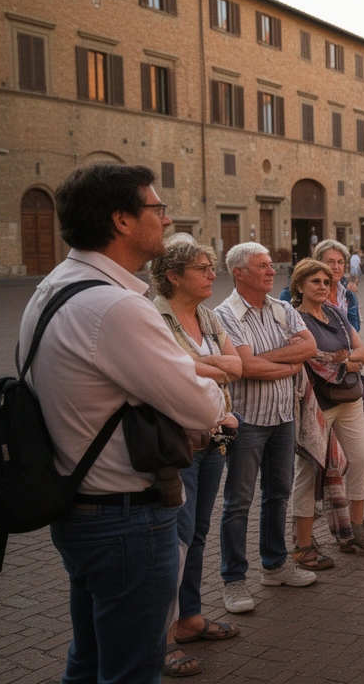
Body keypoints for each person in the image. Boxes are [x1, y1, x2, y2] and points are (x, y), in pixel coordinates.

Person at [22, 164, 227, 682]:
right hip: (126, 520)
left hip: (80, 509)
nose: (167, 217)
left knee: (89, 663)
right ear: (122, 221)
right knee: (131, 671)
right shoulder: (115, 307)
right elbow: (205, 408)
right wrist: (212, 385)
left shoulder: (53, 288)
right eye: (156, 209)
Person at [151, 235, 244, 677]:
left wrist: (200, 365)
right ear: (173, 276)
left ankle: (189, 616)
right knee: (177, 539)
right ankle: (163, 636)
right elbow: (173, 369)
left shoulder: (206, 316)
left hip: (216, 436)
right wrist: (211, 366)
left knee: (198, 531)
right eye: (203, 268)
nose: (212, 274)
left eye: (212, 267)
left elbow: (238, 365)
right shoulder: (154, 315)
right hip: (179, 441)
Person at [215, 243, 320, 615]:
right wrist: (285, 364)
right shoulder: (225, 314)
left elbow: (309, 347)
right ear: (239, 273)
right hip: (246, 420)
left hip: (283, 415)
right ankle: (233, 579)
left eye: (270, 264)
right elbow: (243, 368)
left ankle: (275, 565)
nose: (271, 270)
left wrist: (264, 360)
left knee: (278, 494)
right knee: (238, 502)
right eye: (262, 266)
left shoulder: (282, 308)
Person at [288, 259, 364, 567]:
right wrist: (344, 360)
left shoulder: (337, 314)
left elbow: (362, 351)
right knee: (310, 470)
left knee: (360, 458)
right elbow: (314, 359)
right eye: (315, 281)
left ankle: (354, 529)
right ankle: (303, 543)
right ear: (299, 286)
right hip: (316, 406)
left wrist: (341, 360)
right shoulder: (294, 319)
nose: (323, 287)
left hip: (348, 398)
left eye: (327, 282)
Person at [279, 239, 360, 332]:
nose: (336, 267)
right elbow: (284, 330)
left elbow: (355, 329)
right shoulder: (290, 294)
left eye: (340, 262)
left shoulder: (348, 296)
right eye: (330, 261)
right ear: (318, 263)